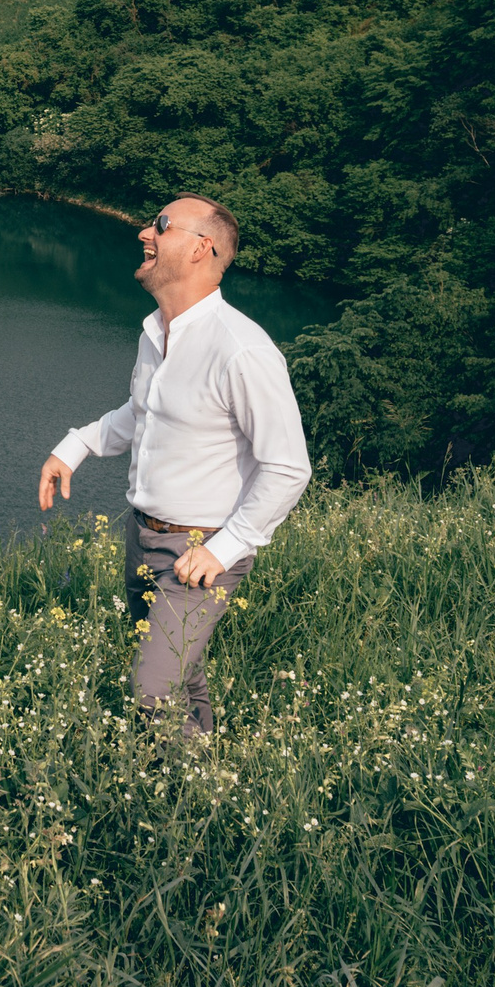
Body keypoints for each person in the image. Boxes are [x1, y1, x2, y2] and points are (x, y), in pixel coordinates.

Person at [35, 194, 310, 736]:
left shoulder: (241, 350)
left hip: (200, 550)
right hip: (143, 537)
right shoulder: (155, 332)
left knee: (152, 687)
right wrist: (75, 446)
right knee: (183, 677)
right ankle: (196, 784)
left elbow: (289, 467)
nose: (144, 232)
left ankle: (167, 794)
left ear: (200, 249)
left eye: (160, 225)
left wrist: (224, 548)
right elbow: (143, 415)